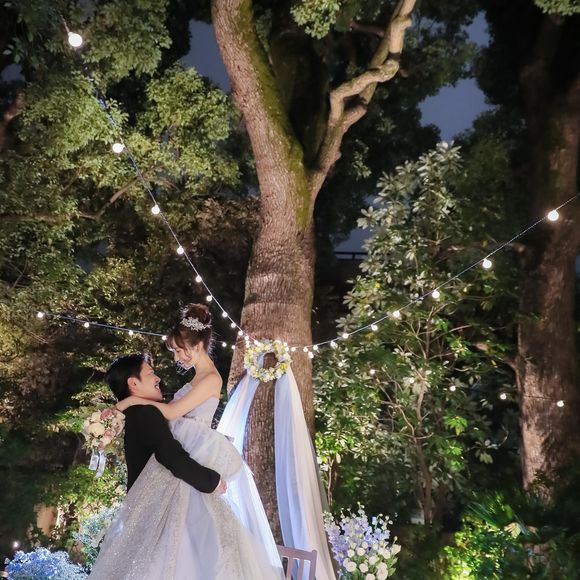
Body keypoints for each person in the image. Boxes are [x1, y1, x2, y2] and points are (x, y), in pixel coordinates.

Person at [91, 305, 283, 580]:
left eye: (180, 350)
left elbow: (170, 413)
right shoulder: (196, 379)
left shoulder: (211, 378)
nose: (177, 357)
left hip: (195, 450)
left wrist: (128, 402)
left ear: (198, 345)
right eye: (175, 351)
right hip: (183, 454)